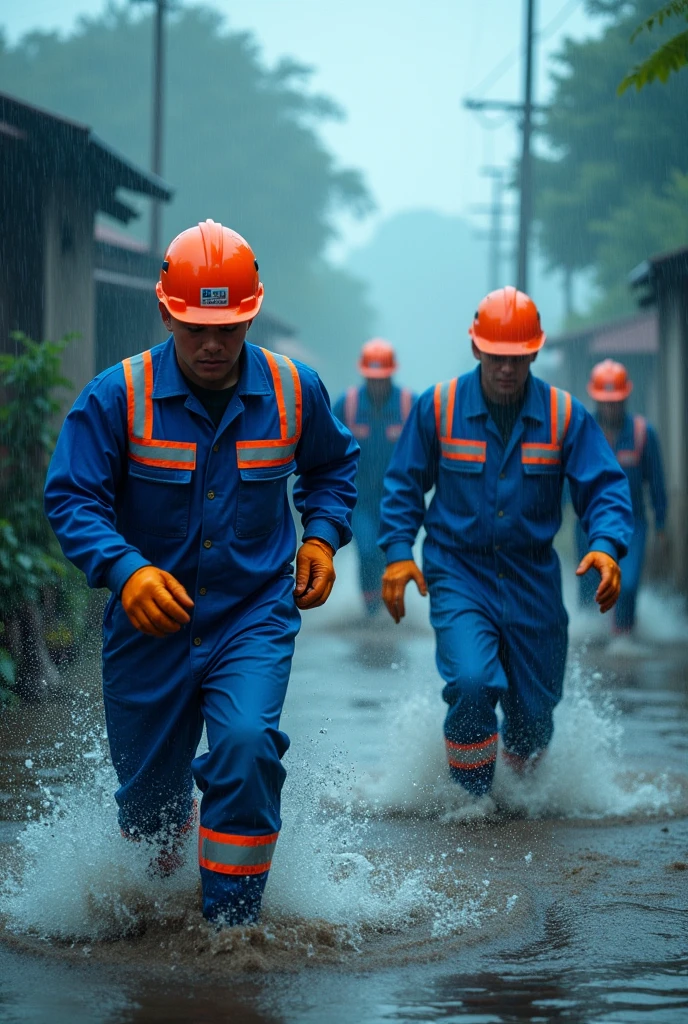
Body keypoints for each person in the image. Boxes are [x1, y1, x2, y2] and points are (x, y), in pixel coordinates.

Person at [44, 220, 358, 926]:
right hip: (148, 624)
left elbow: (333, 467)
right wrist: (125, 570)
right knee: (149, 811)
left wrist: (322, 540)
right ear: (165, 312)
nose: (212, 345)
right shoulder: (115, 396)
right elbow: (71, 496)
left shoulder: (292, 389)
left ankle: (231, 933)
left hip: (251, 615)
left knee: (246, 746)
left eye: (229, 327)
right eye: (194, 328)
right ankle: (166, 880)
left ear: (251, 314)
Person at [377, 287, 634, 797]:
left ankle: (519, 797)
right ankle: (470, 804)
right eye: (496, 357)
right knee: (472, 682)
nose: (506, 369)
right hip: (458, 573)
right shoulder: (439, 407)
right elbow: (403, 484)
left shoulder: (564, 416)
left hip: (532, 578)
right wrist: (398, 554)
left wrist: (605, 544)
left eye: (517, 358)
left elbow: (604, 487)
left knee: (535, 713)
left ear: (535, 352)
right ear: (476, 349)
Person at [576, 359, 667, 637]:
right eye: (605, 401)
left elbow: (657, 483)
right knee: (591, 585)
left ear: (626, 397)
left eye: (616, 401)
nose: (610, 407)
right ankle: (595, 641)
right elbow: (566, 479)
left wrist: (661, 525)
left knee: (625, 585)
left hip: (632, 524)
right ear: (596, 399)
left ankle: (623, 639)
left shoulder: (642, 433)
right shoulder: (582, 431)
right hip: (588, 524)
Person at [333, 340, 415, 615]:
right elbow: (328, 449)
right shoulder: (348, 404)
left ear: (392, 374)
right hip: (359, 498)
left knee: (388, 550)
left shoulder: (408, 404)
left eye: (383, 378)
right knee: (367, 549)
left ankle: (384, 603)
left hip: (396, 499)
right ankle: (370, 610)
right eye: (372, 378)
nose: (378, 383)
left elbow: (424, 453)